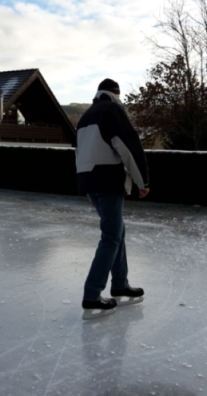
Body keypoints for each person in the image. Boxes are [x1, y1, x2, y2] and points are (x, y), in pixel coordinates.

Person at [75, 78, 149, 320]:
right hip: (108, 182)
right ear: (116, 93)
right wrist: (143, 181)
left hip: (91, 182)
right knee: (111, 237)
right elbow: (129, 147)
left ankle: (119, 284)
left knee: (117, 232)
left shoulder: (85, 117)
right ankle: (92, 295)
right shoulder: (113, 111)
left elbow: (80, 154)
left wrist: (87, 188)